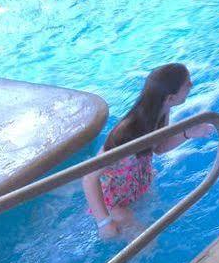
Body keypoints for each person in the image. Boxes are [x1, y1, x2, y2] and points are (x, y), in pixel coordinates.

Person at [82, 63, 212, 239]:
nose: (191, 85)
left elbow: (159, 147)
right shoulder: (127, 132)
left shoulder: (161, 112)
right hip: (113, 202)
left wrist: (188, 133)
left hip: (135, 186)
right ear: (170, 98)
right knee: (147, 243)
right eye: (187, 83)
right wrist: (103, 222)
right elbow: (89, 177)